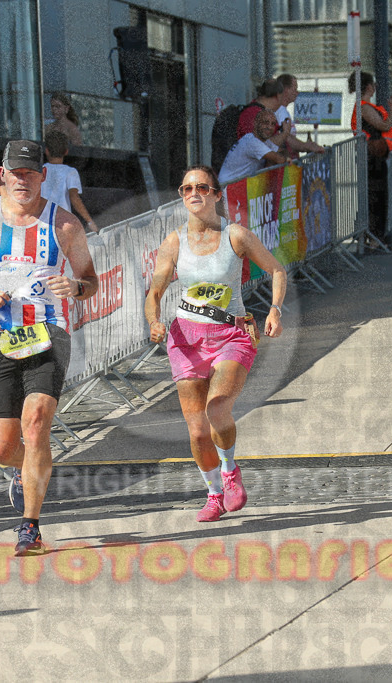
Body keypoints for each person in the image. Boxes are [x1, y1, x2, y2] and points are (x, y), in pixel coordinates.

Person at [0, 139, 98, 555]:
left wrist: (76, 287)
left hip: (49, 334)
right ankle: (30, 469)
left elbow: (90, 280)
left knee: (35, 424)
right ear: (2, 175)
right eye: (15, 173)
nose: (22, 180)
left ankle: (30, 527)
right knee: (2, 446)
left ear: (42, 177)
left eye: (30, 173)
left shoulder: (64, 224)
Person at [145, 165, 286, 522]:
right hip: (186, 338)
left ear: (216, 194)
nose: (194, 193)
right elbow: (157, 288)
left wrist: (275, 310)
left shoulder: (235, 235)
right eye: (187, 187)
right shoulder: (174, 241)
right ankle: (213, 495)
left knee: (217, 407)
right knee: (196, 431)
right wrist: (154, 320)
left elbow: (277, 270)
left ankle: (229, 471)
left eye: (203, 187)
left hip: (231, 335)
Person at [349, 71, 392, 248]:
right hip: (371, 159)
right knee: (374, 197)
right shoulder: (364, 107)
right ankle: (373, 238)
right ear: (369, 87)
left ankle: (375, 237)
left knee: (378, 196)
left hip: (375, 157)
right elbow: (384, 125)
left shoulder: (364, 106)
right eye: (374, 84)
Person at [42, 130, 98, 233]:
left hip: (42, 222)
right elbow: (74, 198)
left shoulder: (40, 171)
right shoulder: (70, 172)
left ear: (46, 151)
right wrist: (89, 221)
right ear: (66, 151)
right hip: (63, 224)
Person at [218, 108, 289, 185]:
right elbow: (279, 159)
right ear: (256, 123)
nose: (269, 127)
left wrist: (284, 157)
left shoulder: (263, 142)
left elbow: (281, 152)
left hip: (236, 187)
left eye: (273, 124)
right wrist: (286, 133)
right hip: (227, 189)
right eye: (266, 122)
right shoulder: (251, 142)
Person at [274, 74, 325, 158]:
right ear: (286, 90)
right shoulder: (280, 111)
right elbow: (287, 139)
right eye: (295, 89)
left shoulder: (283, 111)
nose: (297, 93)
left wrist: (305, 145)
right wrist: (306, 146)